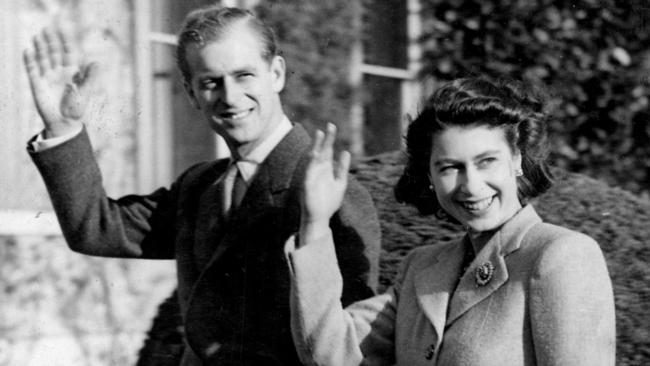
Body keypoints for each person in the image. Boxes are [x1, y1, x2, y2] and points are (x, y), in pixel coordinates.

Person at [23, 6, 381, 366]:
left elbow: (348, 348)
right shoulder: (199, 187)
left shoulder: (328, 190)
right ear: (191, 93)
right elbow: (97, 229)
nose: (230, 97)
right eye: (211, 82)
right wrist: (62, 128)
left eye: (244, 75)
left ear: (276, 74)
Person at [287, 77, 616, 365]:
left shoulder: (561, 255)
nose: (471, 185)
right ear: (429, 175)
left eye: (486, 162)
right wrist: (315, 223)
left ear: (516, 160)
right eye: (449, 168)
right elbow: (333, 355)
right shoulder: (421, 268)